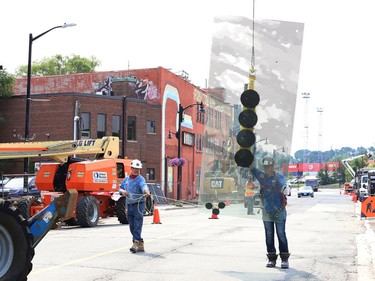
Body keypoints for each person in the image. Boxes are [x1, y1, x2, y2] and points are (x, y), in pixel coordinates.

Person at [251, 156, 291, 269]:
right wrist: (246, 156)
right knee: (269, 236)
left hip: (279, 211)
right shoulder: (261, 176)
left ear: (273, 166)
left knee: (281, 235)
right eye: (265, 167)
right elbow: (252, 168)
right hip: (267, 211)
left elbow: (285, 188)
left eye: (269, 166)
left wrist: (284, 189)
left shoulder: (279, 177)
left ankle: (284, 259)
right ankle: (271, 258)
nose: (267, 168)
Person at [119, 159, 150, 253]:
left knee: (137, 224)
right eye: (135, 168)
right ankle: (140, 244)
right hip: (129, 205)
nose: (137, 170)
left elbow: (144, 185)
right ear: (131, 168)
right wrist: (122, 192)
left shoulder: (140, 179)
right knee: (131, 225)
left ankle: (135, 242)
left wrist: (146, 191)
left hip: (138, 205)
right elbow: (120, 188)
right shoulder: (126, 179)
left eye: (138, 169)